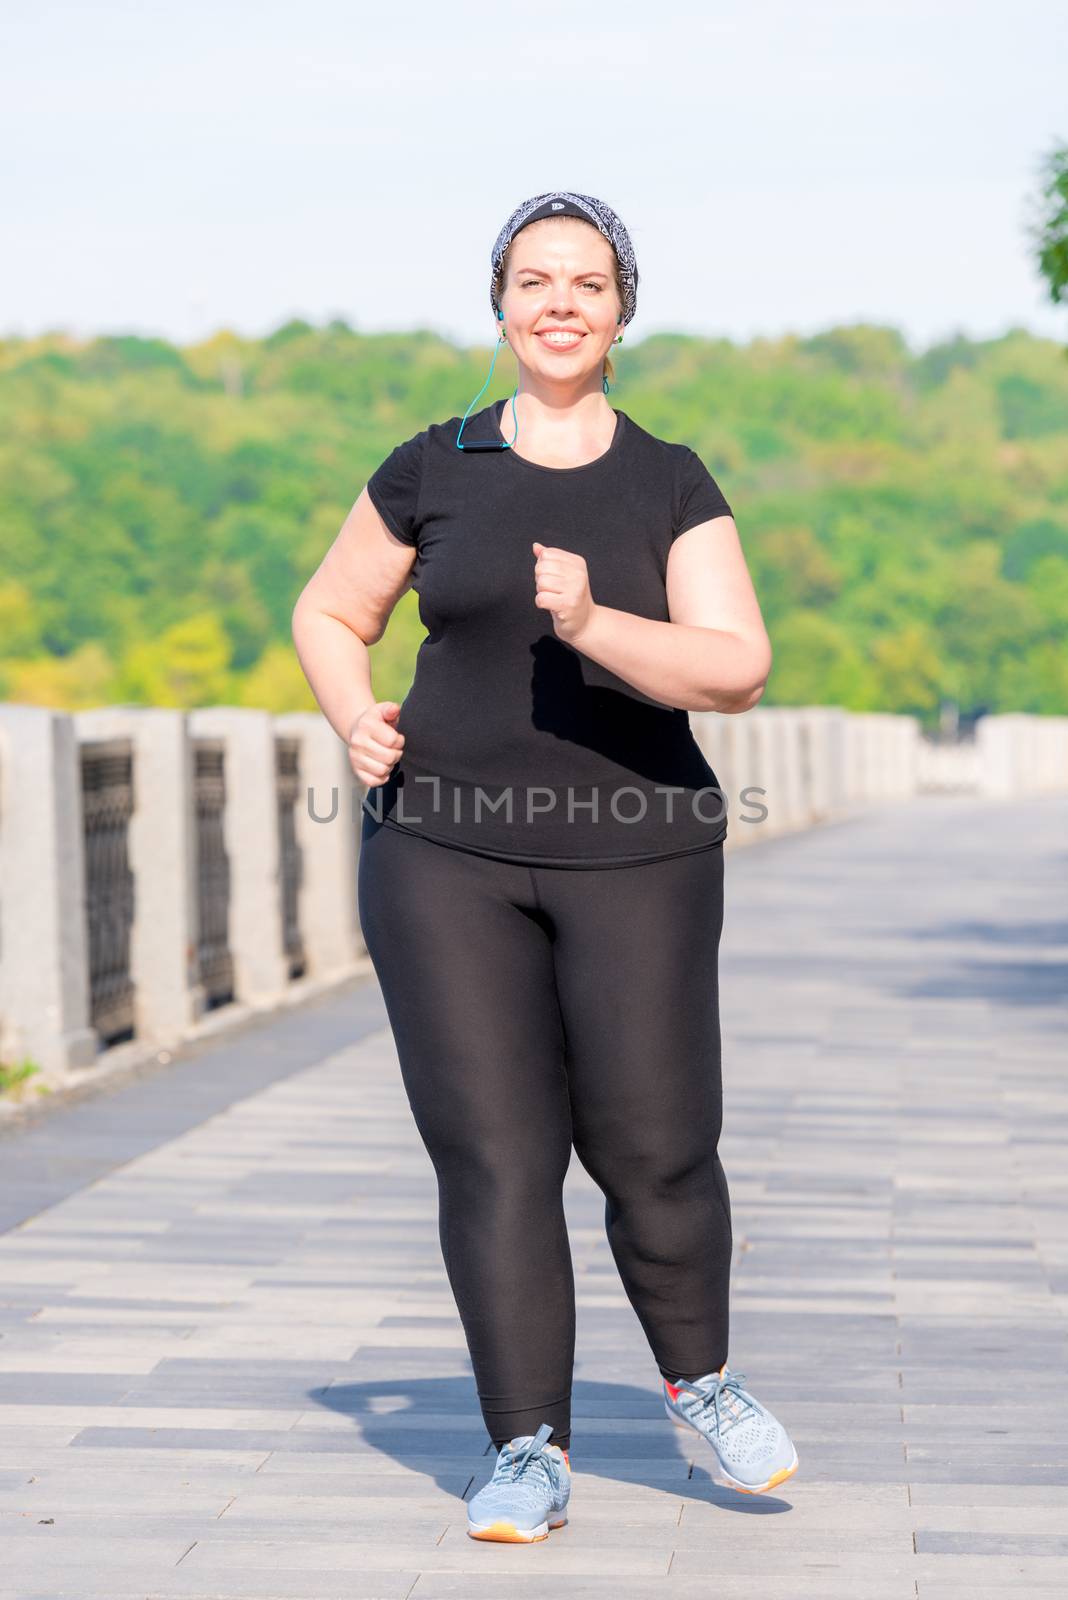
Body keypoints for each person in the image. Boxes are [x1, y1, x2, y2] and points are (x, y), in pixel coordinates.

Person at [292, 189, 798, 1545]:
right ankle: (526, 1447)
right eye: (535, 280)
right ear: (501, 305)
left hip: (640, 851)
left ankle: (705, 1385)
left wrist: (595, 622)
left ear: (622, 311)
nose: (560, 302)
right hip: (441, 853)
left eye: (587, 281)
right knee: (495, 1157)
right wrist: (355, 715)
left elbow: (735, 665)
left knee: (656, 1146)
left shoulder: (669, 478)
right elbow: (333, 608)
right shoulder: (431, 464)